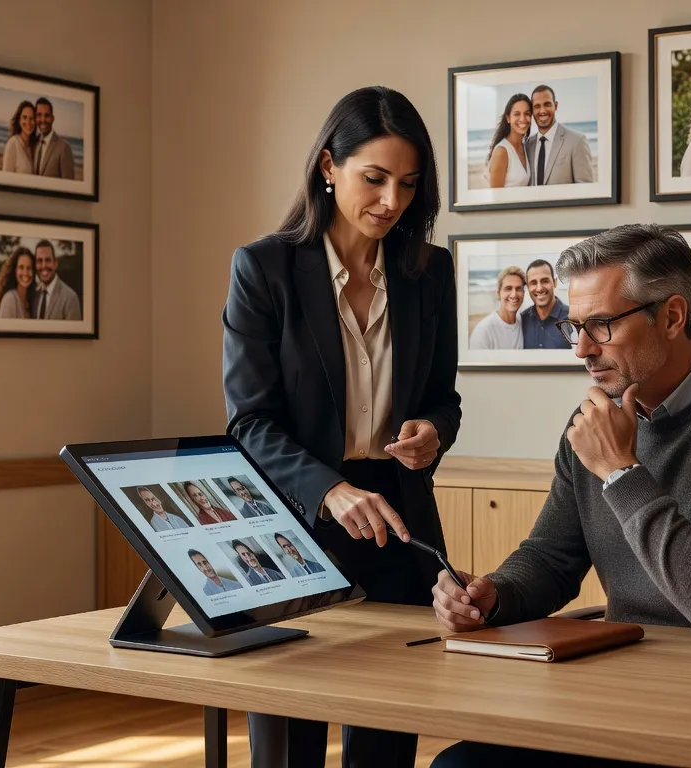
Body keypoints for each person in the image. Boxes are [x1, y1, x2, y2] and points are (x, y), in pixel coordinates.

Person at [429, 224, 691, 768]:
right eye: (574, 326)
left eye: (602, 326)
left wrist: (620, 470)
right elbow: (552, 557)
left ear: (674, 316)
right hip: (624, 688)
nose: (582, 350)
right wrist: (493, 594)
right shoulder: (595, 423)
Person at [221, 85, 461, 768]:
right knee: (288, 747)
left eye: (409, 184)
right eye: (374, 178)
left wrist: (432, 432)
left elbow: (445, 398)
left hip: (399, 521)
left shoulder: (429, 272)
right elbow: (249, 422)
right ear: (329, 166)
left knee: (386, 741)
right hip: (295, 525)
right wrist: (329, 490)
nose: (392, 201)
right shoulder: (264, 268)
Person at [523, 84, 595, 185]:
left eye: (547, 104)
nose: (542, 111)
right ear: (532, 111)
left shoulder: (577, 141)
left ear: (555, 106)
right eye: (537, 106)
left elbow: (586, 187)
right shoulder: (527, 145)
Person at [468, 266, 526, 350]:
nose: (514, 294)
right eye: (508, 288)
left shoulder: (523, 323)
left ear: (523, 293)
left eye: (518, 289)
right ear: (498, 293)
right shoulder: (483, 331)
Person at [519, 259, 571, 349]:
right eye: (533, 283)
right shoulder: (522, 320)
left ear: (554, 283)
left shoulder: (572, 318)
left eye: (545, 281)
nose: (539, 288)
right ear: (527, 287)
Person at [486, 93, 531, 188]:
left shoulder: (525, 146)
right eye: (517, 114)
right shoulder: (502, 152)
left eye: (527, 113)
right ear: (508, 118)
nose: (522, 119)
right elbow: (495, 197)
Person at [31, 239, 83, 321]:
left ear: (55, 263)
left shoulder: (70, 298)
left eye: (48, 260)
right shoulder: (33, 295)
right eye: (39, 261)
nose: (43, 265)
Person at [32, 97, 76, 179]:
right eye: (39, 115)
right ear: (35, 118)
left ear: (52, 118)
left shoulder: (64, 148)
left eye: (47, 115)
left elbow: (69, 184)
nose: (43, 119)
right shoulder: (33, 142)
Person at [0, 246, 37, 319]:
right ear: (14, 270)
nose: (25, 272)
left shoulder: (31, 301)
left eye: (29, 268)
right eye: (21, 267)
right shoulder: (9, 299)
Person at [1, 101, 37, 174]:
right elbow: (5, 177)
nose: (28, 122)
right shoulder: (13, 144)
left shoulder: (35, 146)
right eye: (24, 117)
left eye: (32, 118)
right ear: (19, 120)